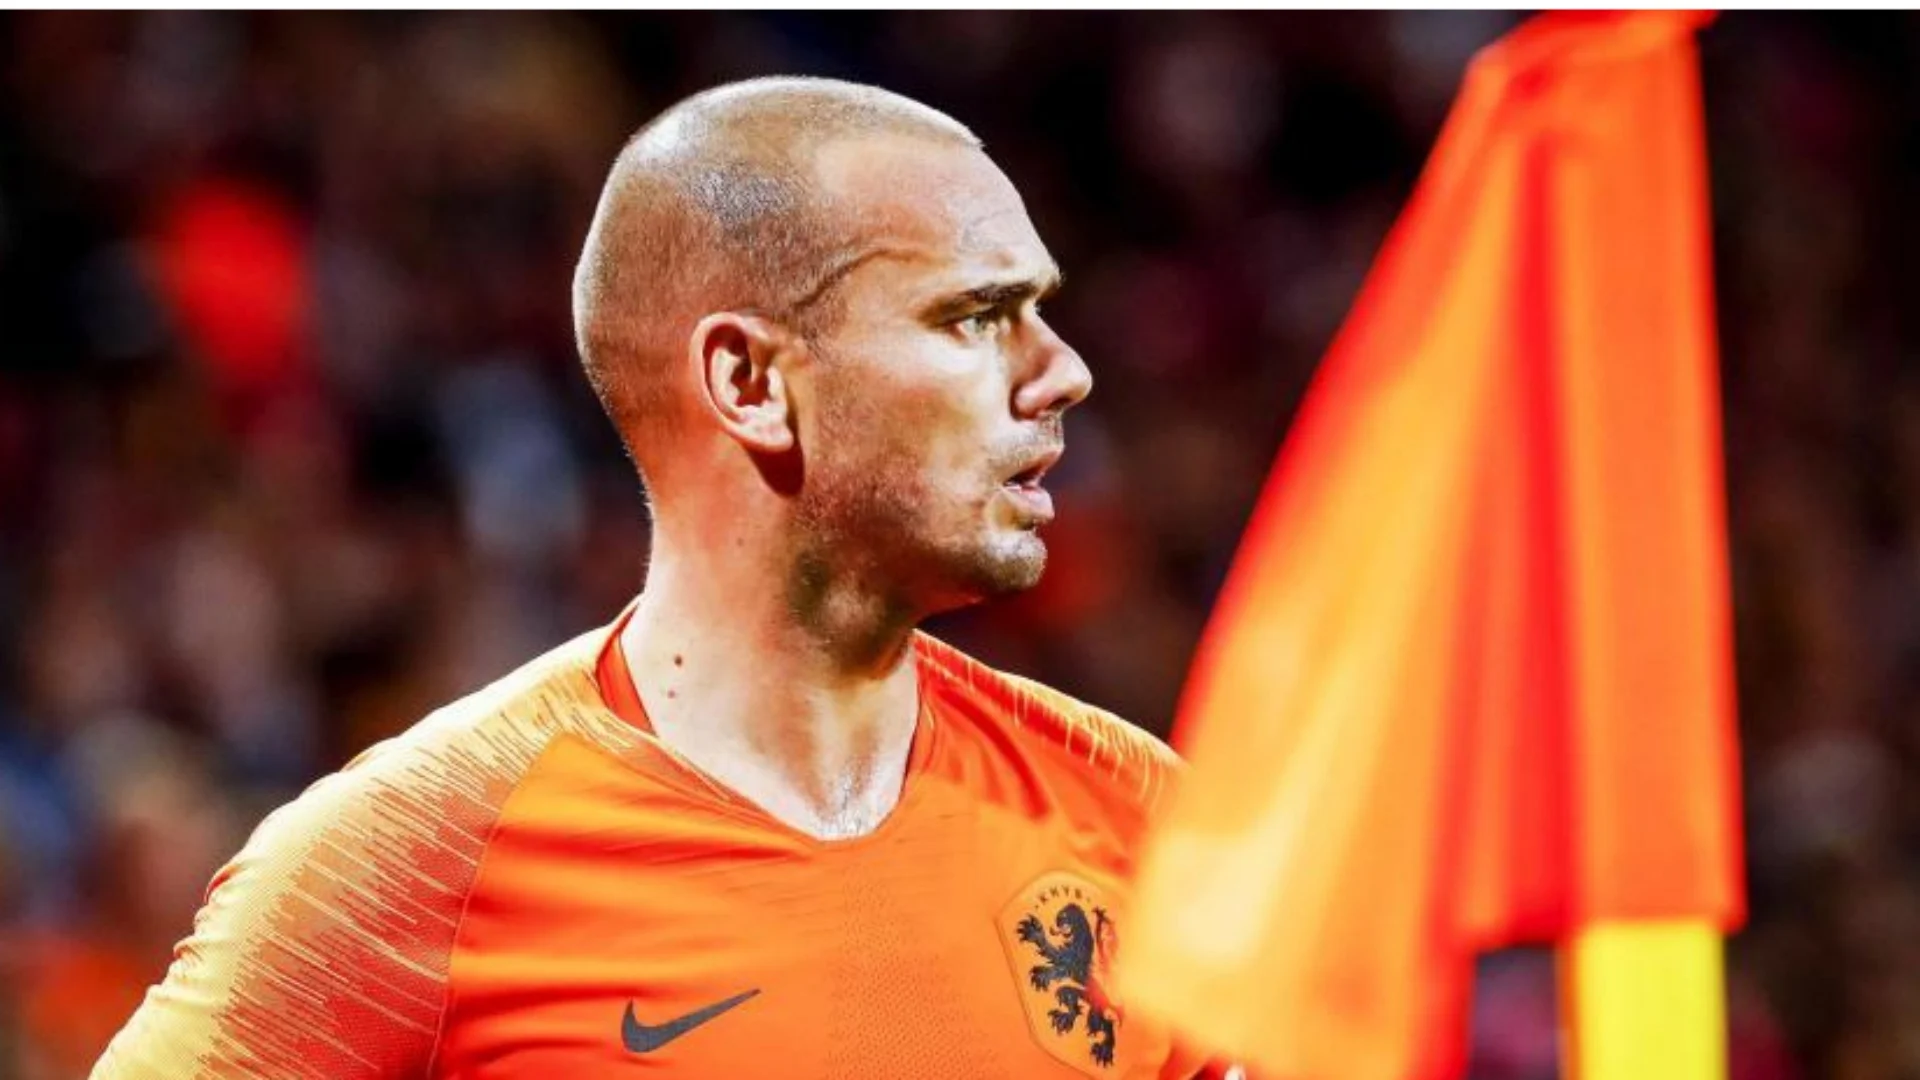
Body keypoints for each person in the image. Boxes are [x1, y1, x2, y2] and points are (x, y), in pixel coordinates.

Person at [92, 76, 1219, 1079]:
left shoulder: (1133, 811)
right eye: (975, 317)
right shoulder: (409, 860)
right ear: (749, 382)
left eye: (1040, 313)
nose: (1062, 373)